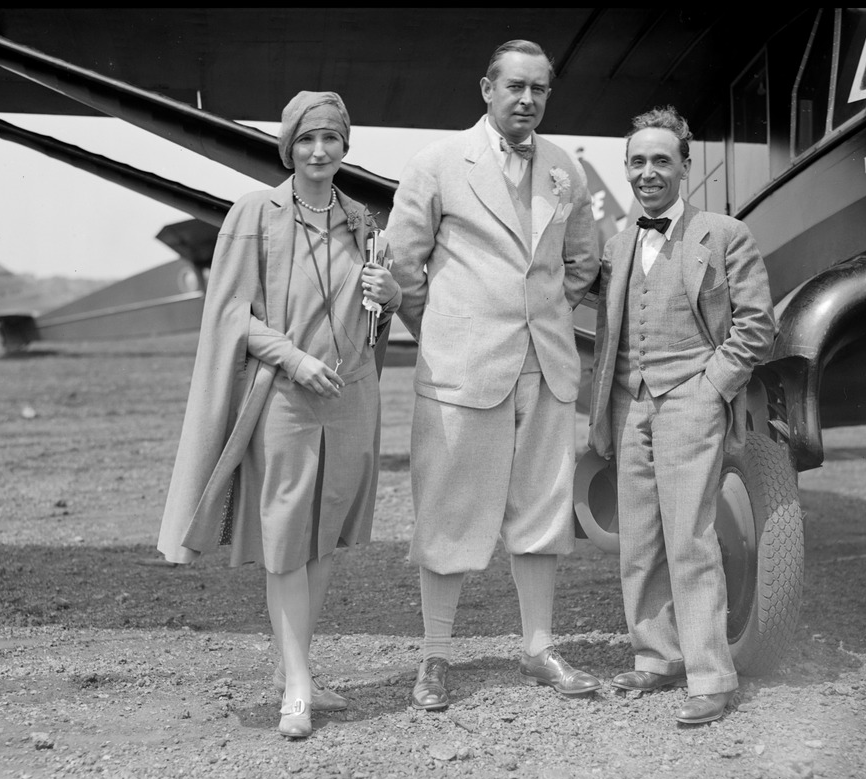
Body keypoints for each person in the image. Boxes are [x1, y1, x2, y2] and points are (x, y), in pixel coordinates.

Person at [156, 90, 401, 739]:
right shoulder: (253, 215)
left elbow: (375, 323)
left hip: (352, 399)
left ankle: (298, 668)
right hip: (289, 400)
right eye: (305, 140)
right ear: (287, 146)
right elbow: (232, 315)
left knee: (326, 538)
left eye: (330, 139)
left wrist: (394, 294)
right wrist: (294, 361)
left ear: (345, 146)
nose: (318, 151)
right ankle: (295, 683)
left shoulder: (367, 224)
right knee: (288, 541)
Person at [385, 39, 601, 711]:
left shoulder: (567, 169)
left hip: (546, 369)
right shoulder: (439, 163)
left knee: (541, 513)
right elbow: (402, 265)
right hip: (462, 368)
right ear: (487, 89)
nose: (528, 100)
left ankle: (538, 649)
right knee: (449, 514)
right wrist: (447, 330)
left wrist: (540, 317)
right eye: (515, 87)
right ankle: (435, 657)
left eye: (539, 89)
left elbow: (583, 262)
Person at [586, 105, 775, 724]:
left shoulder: (723, 233)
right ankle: (656, 656)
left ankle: (711, 676)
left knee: (690, 536)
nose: (648, 172)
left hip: (691, 397)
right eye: (637, 161)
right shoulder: (617, 243)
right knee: (638, 539)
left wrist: (711, 385)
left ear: (685, 166)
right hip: (626, 403)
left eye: (661, 160)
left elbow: (756, 327)